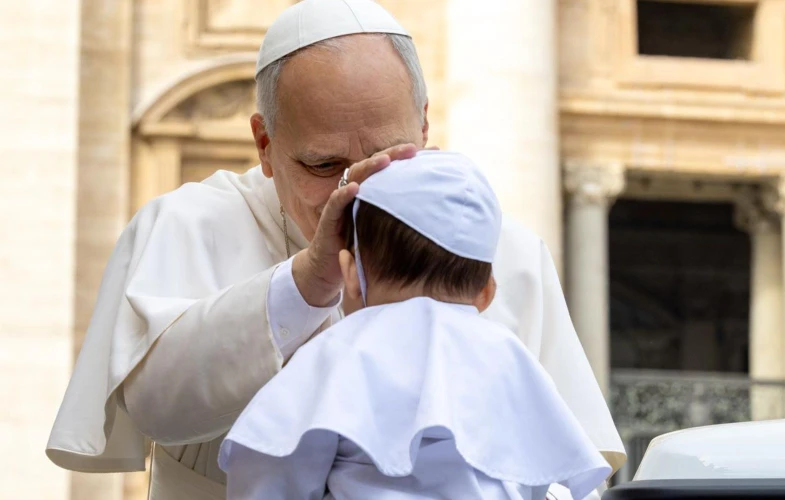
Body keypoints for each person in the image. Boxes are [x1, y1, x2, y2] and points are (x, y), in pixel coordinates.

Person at [46, 0, 625, 498]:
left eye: (389, 153)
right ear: (265, 143)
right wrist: (305, 283)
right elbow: (157, 408)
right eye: (324, 165)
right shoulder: (190, 222)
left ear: (423, 126)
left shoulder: (499, 248)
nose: (356, 190)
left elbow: (570, 462)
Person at [219, 150, 612, 500]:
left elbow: (271, 468)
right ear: (487, 293)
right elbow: (549, 474)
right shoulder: (512, 358)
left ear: (350, 275)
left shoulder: (337, 352)